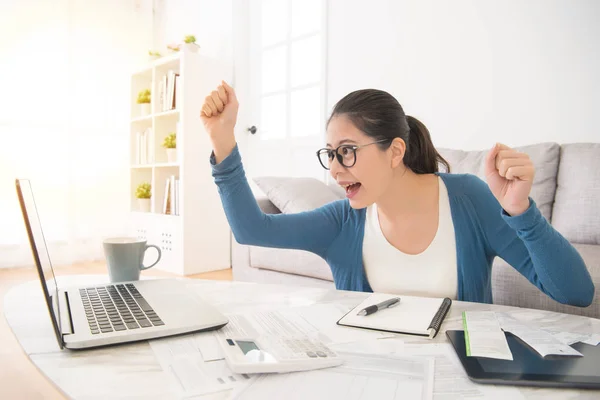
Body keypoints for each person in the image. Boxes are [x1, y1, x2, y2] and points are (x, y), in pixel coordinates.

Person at [200, 80, 594, 306]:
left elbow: (575, 292)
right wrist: (222, 139)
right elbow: (253, 229)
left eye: (347, 152)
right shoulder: (341, 221)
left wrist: (521, 210)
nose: (335, 169)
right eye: (330, 155)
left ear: (396, 151)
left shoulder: (468, 199)